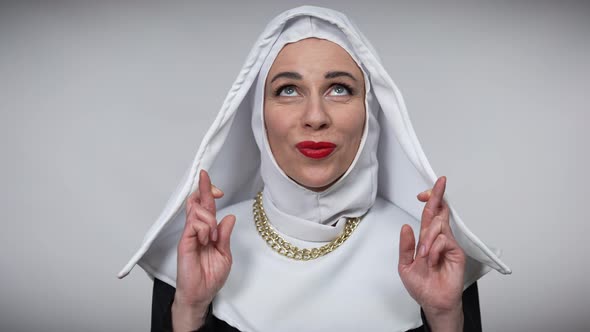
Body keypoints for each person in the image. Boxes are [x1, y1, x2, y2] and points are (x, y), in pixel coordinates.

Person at [118, 6, 511, 332]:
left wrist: (444, 317)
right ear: (259, 117)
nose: (315, 116)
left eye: (339, 88)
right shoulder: (196, 253)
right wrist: (189, 309)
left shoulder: (428, 253)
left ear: (369, 113)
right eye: (288, 90)